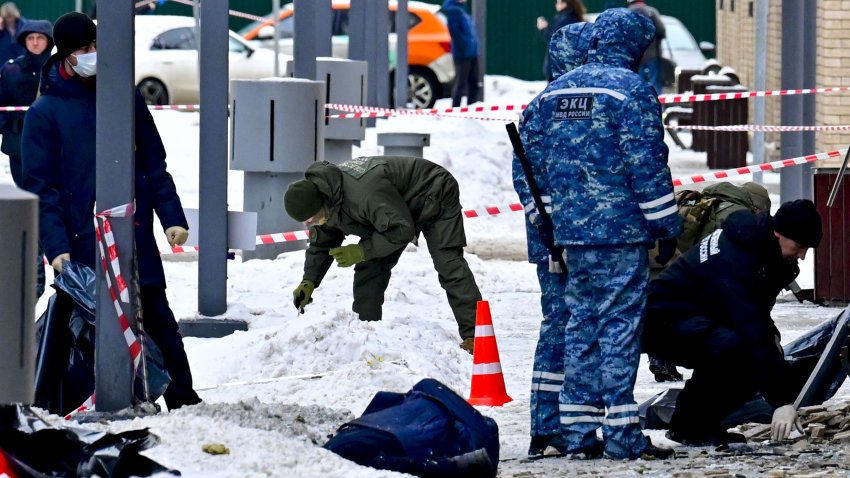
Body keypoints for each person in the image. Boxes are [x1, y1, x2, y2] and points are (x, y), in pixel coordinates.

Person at [520, 8, 681, 459]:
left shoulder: (553, 93)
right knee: (620, 329)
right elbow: (647, 167)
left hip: (570, 238)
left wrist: (549, 226)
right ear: (633, 45)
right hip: (619, 236)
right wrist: (665, 224)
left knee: (579, 329)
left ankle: (574, 433)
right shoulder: (631, 91)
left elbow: (533, 171)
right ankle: (623, 435)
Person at [21, 12, 201, 410]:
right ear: (66, 56)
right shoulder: (45, 113)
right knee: (81, 331)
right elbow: (41, 189)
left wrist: (171, 217)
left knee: (158, 320)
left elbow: (154, 163)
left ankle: (185, 401)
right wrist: (56, 247)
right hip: (81, 245)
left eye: (97, 46)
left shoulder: (124, 96)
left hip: (133, 236)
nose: (94, 55)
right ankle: (66, 404)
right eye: (85, 50)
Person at [642, 199, 823, 446]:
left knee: (752, 351)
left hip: (695, 317)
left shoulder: (758, 245)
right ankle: (691, 426)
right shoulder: (738, 257)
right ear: (778, 233)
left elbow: (754, 315)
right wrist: (782, 401)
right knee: (737, 351)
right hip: (662, 321)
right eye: (799, 246)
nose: (802, 256)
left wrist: (773, 341)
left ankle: (693, 424)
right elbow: (750, 326)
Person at [283, 156, 483, 354]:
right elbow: (321, 245)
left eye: (311, 219)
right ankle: (367, 335)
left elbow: (402, 230)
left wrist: (361, 250)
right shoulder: (327, 201)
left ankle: (477, 336)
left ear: (320, 205)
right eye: (305, 223)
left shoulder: (363, 195)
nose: (310, 225)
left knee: (448, 264)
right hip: (392, 212)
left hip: (433, 192)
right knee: (370, 268)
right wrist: (309, 281)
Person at [513, 21, 594, 458]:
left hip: (554, 235)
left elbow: (525, 179)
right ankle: (561, 422)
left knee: (557, 325)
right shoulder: (565, 104)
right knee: (572, 325)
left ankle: (549, 421)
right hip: (571, 238)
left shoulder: (541, 106)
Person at [647, 181, 771, 383]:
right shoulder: (735, 214)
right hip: (673, 261)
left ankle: (661, 357)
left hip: (661, 256)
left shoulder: (711, 200)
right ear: (757, 206)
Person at [0, 19, 52, 299]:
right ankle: (33, 274)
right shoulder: (10, 69)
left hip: (51, 150)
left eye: (40, 38)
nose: (35, 42)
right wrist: (8, 126)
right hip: (19, 149)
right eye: (30, 38)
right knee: (28, 205)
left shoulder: (56, 69)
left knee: (50, 206)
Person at [442, 0, 480, 107]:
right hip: (463, 54)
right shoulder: (454, 11)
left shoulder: (461, 10)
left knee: (474, 83)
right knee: (461, 84)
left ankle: (471, 108)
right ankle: (456, 109)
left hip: (471, 52)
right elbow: (455, 32)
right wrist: (464, 46)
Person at [535, 0, 585, 81]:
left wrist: (543, 28)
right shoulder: (570, 17)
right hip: (564, 66)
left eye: (558, 2)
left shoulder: (565, 19)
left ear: (565, 3)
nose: (556, 4)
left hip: (559, 67)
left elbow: (555, 38)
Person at [627, 0, 665, 94]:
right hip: (652, 54)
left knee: (637, 82)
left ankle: (639, 105)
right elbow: (661, 30)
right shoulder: (651, 12)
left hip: (635, 55)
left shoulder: (627, 13)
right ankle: (657, 106)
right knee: (654, 82)